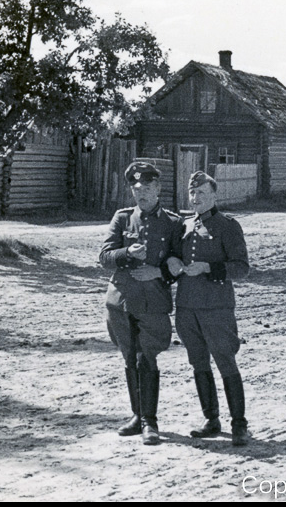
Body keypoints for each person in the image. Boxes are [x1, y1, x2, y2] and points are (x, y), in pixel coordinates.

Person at [166, 171, 251, 446]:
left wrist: (209, 268)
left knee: (225, 361)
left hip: (216, 308)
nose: (196, 197)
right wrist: (173, 264)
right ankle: (211, 420)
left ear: (215, 196)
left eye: (202, 193)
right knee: (198, 363)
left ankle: (239, 425)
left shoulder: (227, 226)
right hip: (187, 306)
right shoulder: (184, 225)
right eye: (192, 193)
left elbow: (241, 268)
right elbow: (173, 256)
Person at [99, 162, 180, 446]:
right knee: (128, 356)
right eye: (137, 189)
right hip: (120, 302)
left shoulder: (173, 223)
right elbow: (105, 257)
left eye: (147, 188)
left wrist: (158, 271)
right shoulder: (121, 219)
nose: (141, 194)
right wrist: (127, 253)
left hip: (153, 302)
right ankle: (136, 415)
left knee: (147, 358)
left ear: (158, 189)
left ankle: (150, 421)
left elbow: (181, 263)